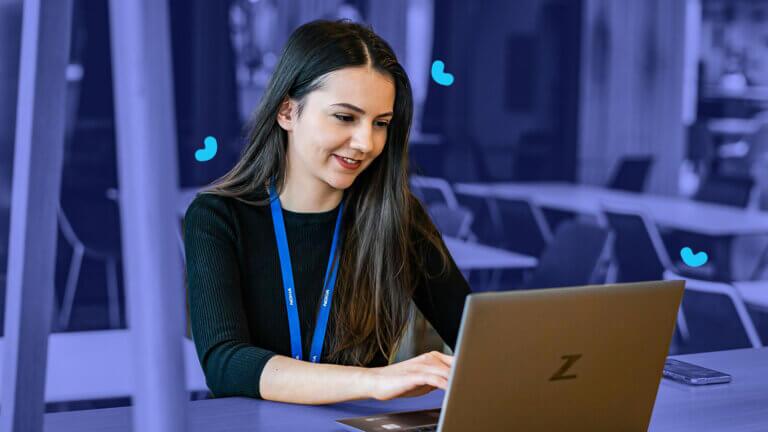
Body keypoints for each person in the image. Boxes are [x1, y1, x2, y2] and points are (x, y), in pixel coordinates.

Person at [183, 20, 471, 405]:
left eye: (381, 123)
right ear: (287, 112)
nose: (366, 143)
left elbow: (472, 333)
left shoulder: (396, 216)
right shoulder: (218, 217)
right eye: (345, 117)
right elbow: (226, 364)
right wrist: (373, 381)